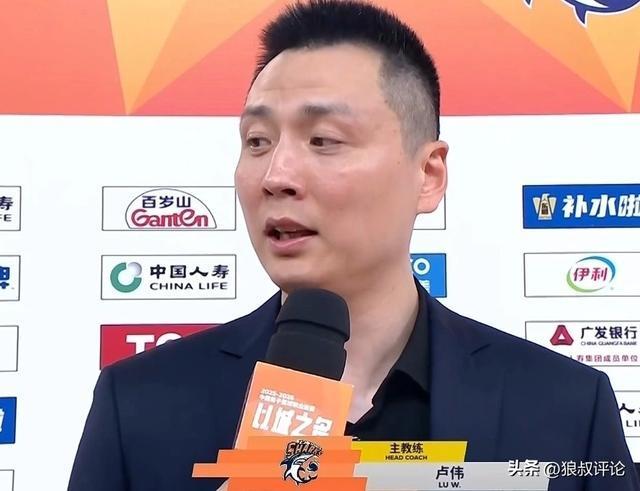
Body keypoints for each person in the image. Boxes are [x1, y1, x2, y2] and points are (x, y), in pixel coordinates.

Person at [68, 1, 640, 490]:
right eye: (257, 141)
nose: (277, 175)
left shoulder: (565, 407)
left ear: (428, 175)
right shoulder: (139, 404)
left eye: (324, 140)